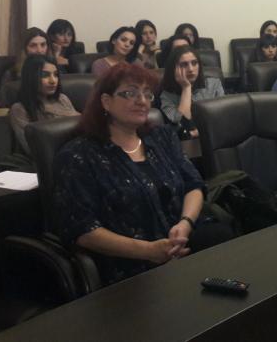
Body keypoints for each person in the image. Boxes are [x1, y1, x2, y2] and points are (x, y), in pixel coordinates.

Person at [52, 63, 233, 285]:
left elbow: (193, 185)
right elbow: (82, 229)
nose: (142, 101)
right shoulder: (78, 155)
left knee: (225, 241)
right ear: (106, 101)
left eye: (148, 94)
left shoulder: (161, 137)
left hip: (182, 242)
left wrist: (185, 223)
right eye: (130, 93)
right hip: (130, 262)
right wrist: (149, 251)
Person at [9, 55, 79, 156]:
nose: (53, 80)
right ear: (31, 77)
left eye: (56, 75)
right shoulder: (19, 109)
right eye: (45, 75)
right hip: (46, 160)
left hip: (74, 152)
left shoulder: (62, 99)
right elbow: (31, 148)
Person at [159, 46, 225, 139]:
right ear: (174, 68)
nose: (190, 69)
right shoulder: (166, 96)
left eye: (194, 63)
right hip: (187, 144)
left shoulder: (214, 84)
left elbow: (222, 118)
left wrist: (199, 132)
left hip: (217, 138)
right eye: (184, 64)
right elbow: (183, 126)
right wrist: (186, 88)